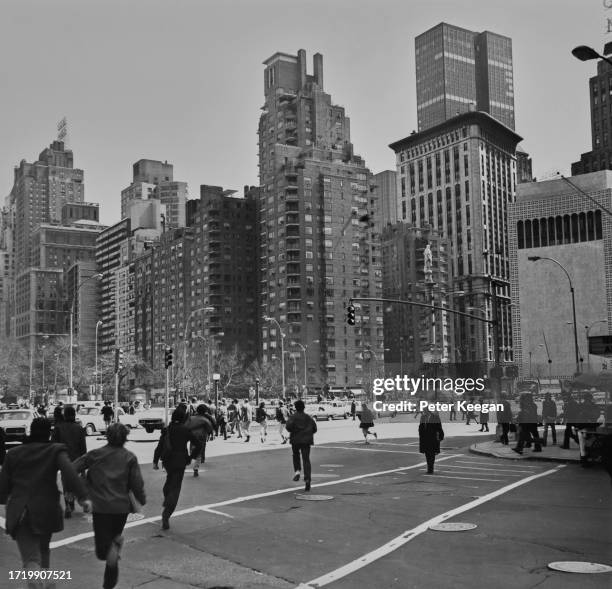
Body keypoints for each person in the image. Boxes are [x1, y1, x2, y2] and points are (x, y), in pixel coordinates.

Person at [0, 418, 91, 587]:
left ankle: (36, 581)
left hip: (21, 510)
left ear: (30, 431)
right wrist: (83, 497)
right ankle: (47, 580)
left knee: (31, 558)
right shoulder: (55, 451)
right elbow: (70, 473)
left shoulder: (13, 453)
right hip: (47, 509)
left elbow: (3, 488)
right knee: (44, 548)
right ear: (49, 432)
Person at [74, 423, 145, 589]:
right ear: (125, 438)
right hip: (121, 508)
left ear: (108, 436)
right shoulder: (129, 457)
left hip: (100, 507)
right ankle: (109, 583)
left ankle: (114, 550)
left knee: (102, 551)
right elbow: (137, 483)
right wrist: (141, 498)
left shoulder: (95, 455)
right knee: (111, 545)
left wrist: (82, 489)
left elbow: (72, 469)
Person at [153, 406, 202, 530]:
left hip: (168, 461)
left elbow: (160, 446)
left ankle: (167, 497)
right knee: (176, 487)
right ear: (184, 418)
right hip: (181, 461)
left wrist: (155, 461)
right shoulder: (185, 430)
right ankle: (167, 512)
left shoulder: (167, 429)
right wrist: (192, 457)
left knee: (170, 480)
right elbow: (198, 444)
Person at [52, 405, 87, 518]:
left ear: (65, 415)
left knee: (66, 483)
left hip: (64, 460)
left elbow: (53, 445)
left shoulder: (58, 428)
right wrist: (84, 466)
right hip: (78, 460)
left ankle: (68, 505)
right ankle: (83, 502)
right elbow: (83, 448)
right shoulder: (80, 429)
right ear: (74, 415)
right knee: (78, 482)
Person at [285, 400, 317, 492]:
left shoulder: (293, 417)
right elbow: (314, 429)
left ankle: (297, 471)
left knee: (296, 455)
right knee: (306, 459)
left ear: (296, 407)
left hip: (295, 439)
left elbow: (288, 427)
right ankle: (307, 479)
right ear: (304, 407)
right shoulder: (308, 417)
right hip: (306, 441)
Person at [186, 404, 213, 477]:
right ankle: (196, 468)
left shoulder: (191, 418)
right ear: (205, 412)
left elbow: (186, 426)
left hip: (192, 437)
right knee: (199, 454)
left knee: (192, 450)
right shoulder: (205, 419)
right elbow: (210, 428)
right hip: (201, 438)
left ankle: (190, 459)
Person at [419, 407, 445, 474]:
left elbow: (439, 428)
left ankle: (430, 469)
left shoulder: (435, 417)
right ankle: (429, 468)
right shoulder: (423, 417)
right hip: (425, 439)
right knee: (427, 454)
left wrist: (441, 436)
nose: (423, 413)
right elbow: (421, 427)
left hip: (433, 439)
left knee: (432, 454)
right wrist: (420, 433)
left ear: (428, 411)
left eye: (424, 411)